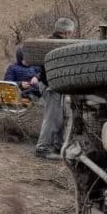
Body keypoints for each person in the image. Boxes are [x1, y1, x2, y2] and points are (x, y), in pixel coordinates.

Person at [34, 18, 77, 160]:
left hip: (54, 85)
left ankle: (59, 147)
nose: (71, 34)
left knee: (60, 117)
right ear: (66, 32)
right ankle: (42, 148)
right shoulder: (55, 44)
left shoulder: (52, 42)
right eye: (70, 32)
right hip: (50, 86)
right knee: (52, 118)